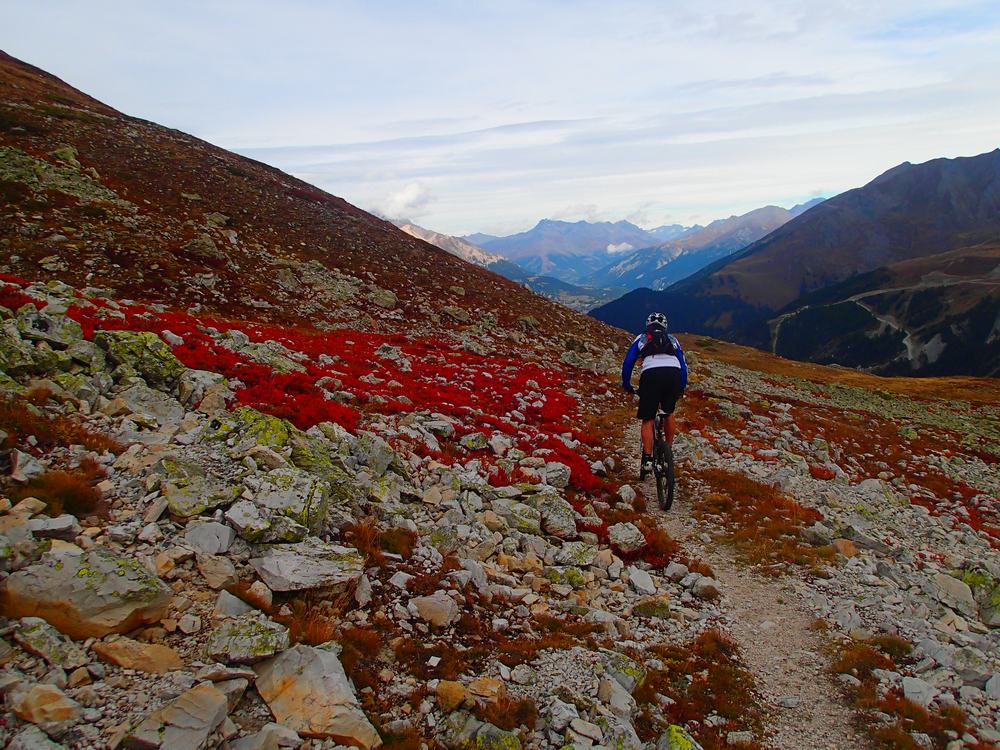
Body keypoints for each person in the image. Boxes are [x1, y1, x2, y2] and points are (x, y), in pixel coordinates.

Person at [621, 312, 687, 477]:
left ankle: (648, 459)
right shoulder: (672, 339)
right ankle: (668, 453)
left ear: (647, 325)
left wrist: (627, 384)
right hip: (673, 373)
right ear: (665, 326)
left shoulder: (642, 338)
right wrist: (681, 386)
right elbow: (683, 364)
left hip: (651, 375)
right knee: (669, 412)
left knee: (648, 418)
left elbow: (628, 362)